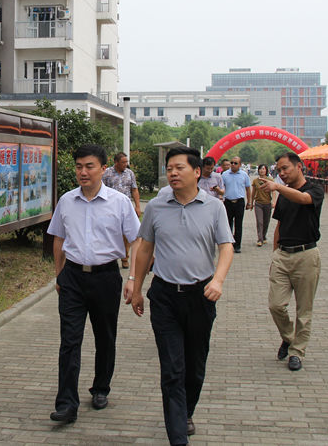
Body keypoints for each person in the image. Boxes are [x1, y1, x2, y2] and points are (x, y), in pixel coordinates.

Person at [130, 146, 234, 445]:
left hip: (201, 296)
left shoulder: (214, 207)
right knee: (172, 368)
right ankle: (178, 436)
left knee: (195, 365)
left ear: (197, 172)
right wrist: (137, 288)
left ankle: (186, 410)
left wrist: (218, 280)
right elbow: (145, 247)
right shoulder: (156, 207)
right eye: (170, 168)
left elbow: (226, 246)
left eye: (179, 168)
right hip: (164, 296)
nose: (173, 173)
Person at [47, 144, 140, 423]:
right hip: (73, 277)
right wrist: (59, 274)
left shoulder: (119, 202)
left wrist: (133, 278)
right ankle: (66, 403)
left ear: (102, 169)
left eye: (89, 166)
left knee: (105, 336)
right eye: (78, 166)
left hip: (106, 277)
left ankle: (101, 387)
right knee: (70, 340)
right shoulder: (66, 201)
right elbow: (58, 239)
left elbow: (137, 241)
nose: (83, 172)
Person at [259, 152, 324, 372]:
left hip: (307, 255)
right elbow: (279, 226)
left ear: (299, 167)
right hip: (283, 255)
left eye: (285, 168)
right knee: (276, 305)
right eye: (279, 170)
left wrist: (278, 188)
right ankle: (289, 338)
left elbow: (304, 200)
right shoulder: (285, 195)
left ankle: (297, 352)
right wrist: (275, 254)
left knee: (304, 310)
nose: (282, 173)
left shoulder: (314, 190)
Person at [102, 152, 141, 269]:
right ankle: (110, 257)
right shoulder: (107, 173)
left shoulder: (129, 173)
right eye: (123, 162)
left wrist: (138, 206)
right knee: (111, 232)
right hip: (109, 208)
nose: (126, 164)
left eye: (126, 162)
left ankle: (125, 257)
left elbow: (134, 190)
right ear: (116, 162)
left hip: (125, 208)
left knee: (126, 233)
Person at [222, 156, 251, 253]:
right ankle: (229, 243)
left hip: (239, 202)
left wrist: (249, 202)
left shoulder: (244, 175)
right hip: (228, 202)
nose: (233, 165)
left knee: (238, 224)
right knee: (228, 224)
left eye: (235, 163)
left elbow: (248, 189)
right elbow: (222, 188)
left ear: (240, 164)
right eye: (232, 162)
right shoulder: (225, 175)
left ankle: (237, 245)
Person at [250, 164, 276, 246]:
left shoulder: (270, 180)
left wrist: (274, 201)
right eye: (260, 169)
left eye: (263, 169)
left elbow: (274, 192)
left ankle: (264, 236)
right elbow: (253, 192)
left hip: (267, 203)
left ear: (266, 170)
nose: (262, 170)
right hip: (258, 203)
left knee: (266, 221)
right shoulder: (255, 181)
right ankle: (260, 239)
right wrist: (251, 202)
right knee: (259, 221)